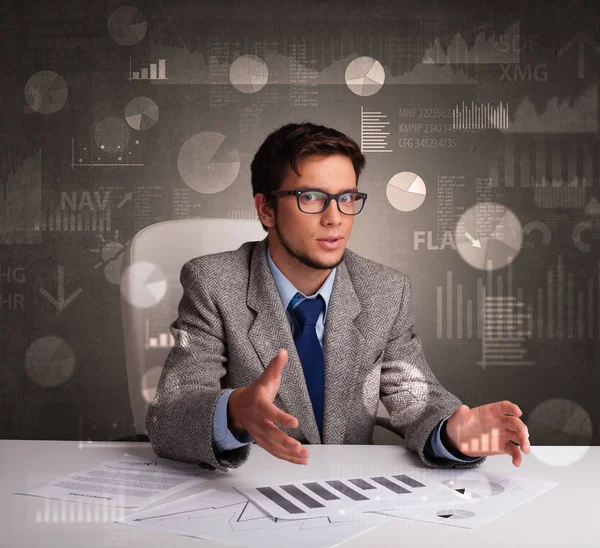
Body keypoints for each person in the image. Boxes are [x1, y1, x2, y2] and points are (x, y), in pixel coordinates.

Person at [146, 122, 530, 473]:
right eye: (311, 197)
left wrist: (453, 433)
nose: (335, 218)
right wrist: (232, 413)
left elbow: (414, 395)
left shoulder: (385, 290)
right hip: (247, 496)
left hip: (350, 501)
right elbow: (169, 416)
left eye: (347, 198)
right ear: (265, 209)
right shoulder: (213, 282)